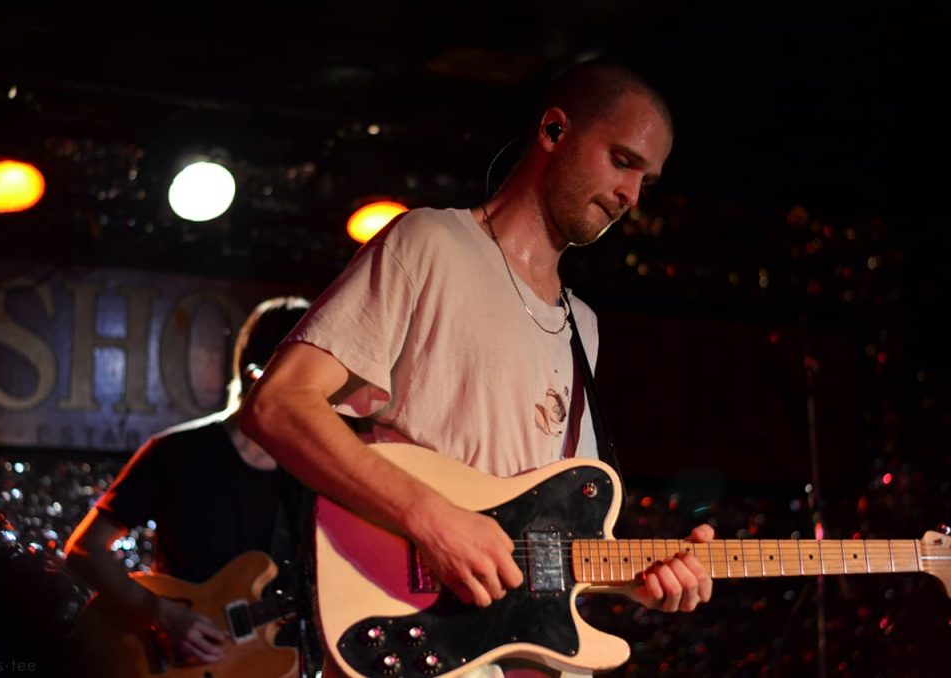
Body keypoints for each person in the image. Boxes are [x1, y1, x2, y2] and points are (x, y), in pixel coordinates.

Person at [240, 61, 714, 677]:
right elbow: (278, 403)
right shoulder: (430, 243)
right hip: (422, 642)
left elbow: (539, 539)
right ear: (553, 130)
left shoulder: (583, 326)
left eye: (646, 181)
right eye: (622, 161)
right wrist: (431, 518)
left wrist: (633, 581)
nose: (631, 196)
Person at [65, 296, 309, 665]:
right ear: (257, 368)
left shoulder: (313, 474)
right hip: (173, 659)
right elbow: (85, 549)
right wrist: (163, 614)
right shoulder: (177, 451)